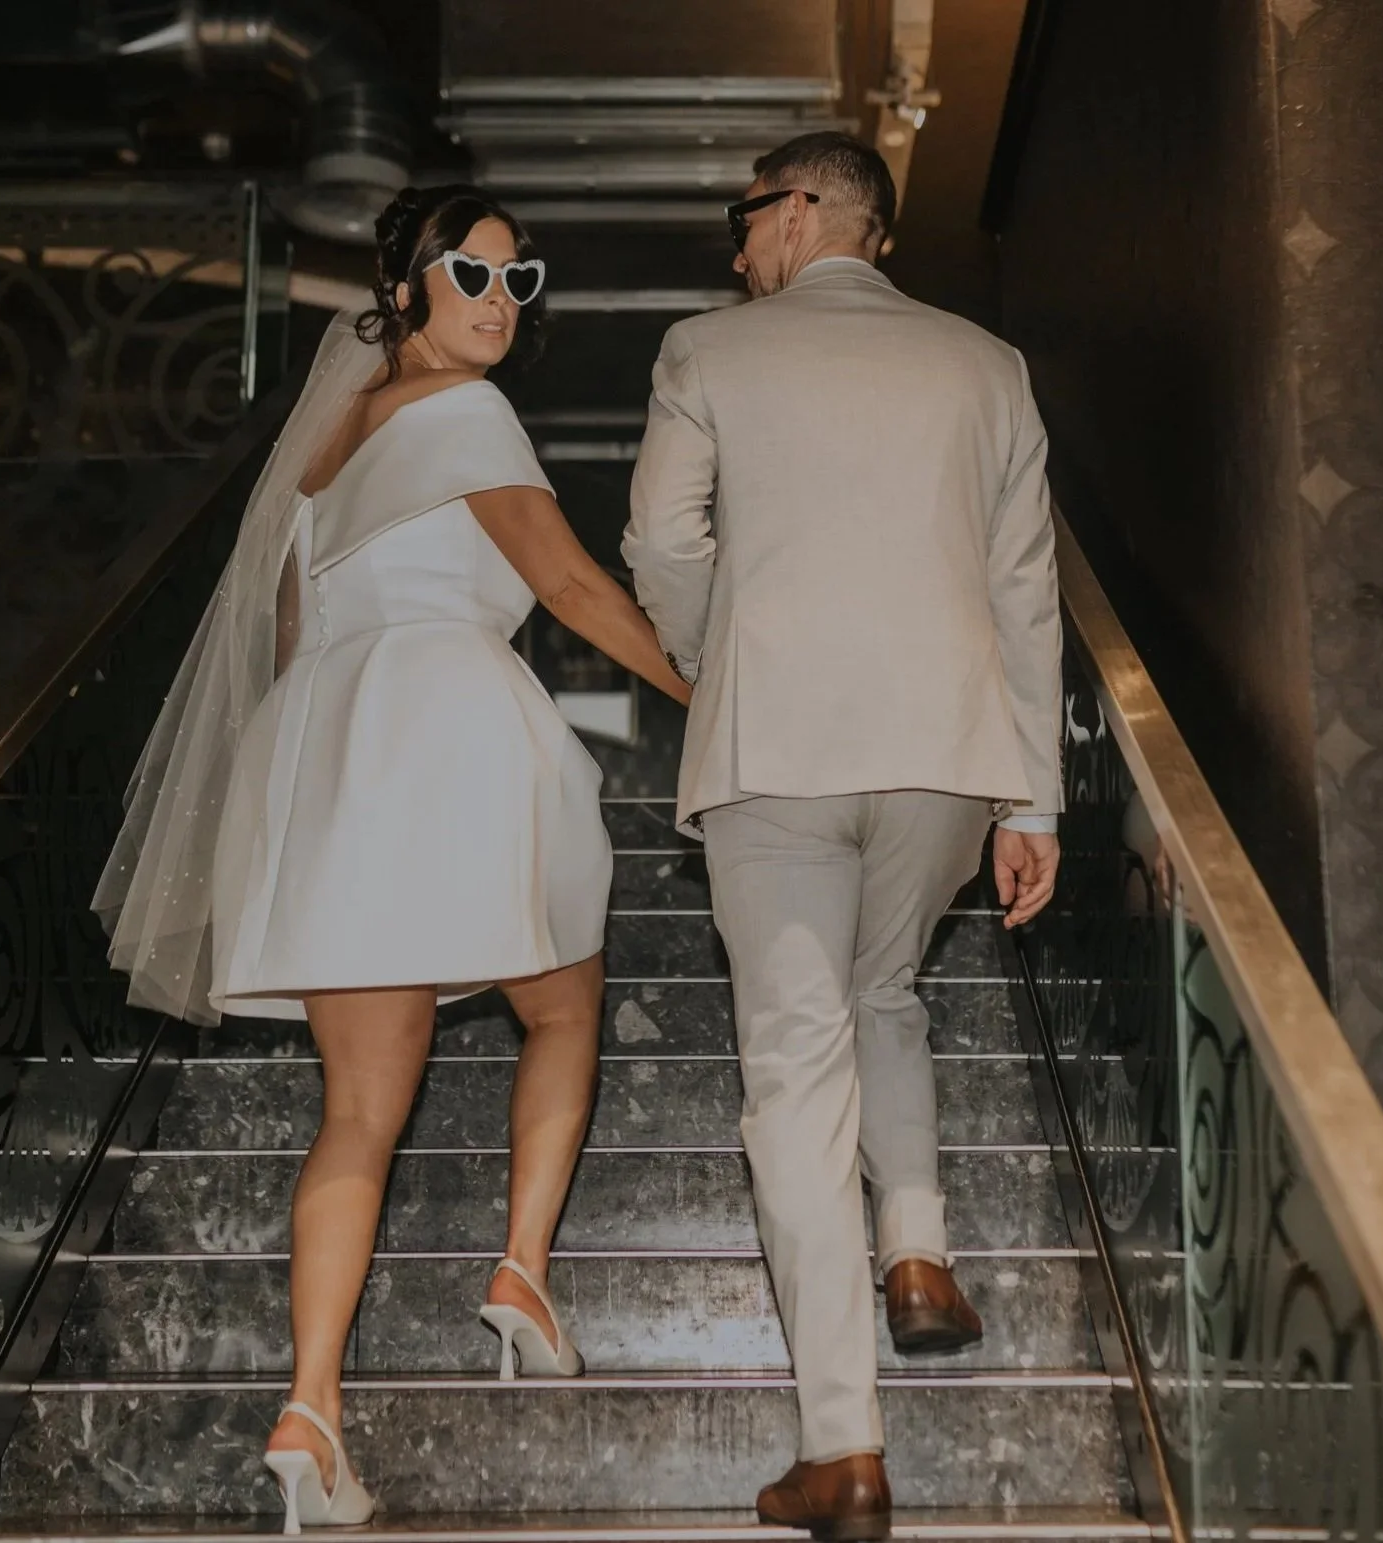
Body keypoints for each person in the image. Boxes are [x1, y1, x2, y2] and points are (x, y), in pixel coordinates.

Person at [95, 185, 691, 1534]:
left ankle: (312, 1401)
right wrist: (711, 697)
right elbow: (575, 590)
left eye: (514, 280)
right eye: (471, 274)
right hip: (453, 730)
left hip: (324, 760)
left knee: (357, 1109)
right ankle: (521, 1266)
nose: (497, 300)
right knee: (564, 1001)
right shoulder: (467, 414)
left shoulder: (317, 460)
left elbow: (296, 643)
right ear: (408, 284)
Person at [623, 131, 1063, 1541]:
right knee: (886, 992)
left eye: (745, 217)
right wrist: (1030, 798)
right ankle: (919, 1254)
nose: (732, 246)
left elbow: (661, 544)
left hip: (776, 750)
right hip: (945, 755)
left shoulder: (707, 350)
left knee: (794, 1070)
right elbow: (1024, 592)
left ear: (805, 210)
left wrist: (716, 664)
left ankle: (842, 1447)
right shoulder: (987, 364)